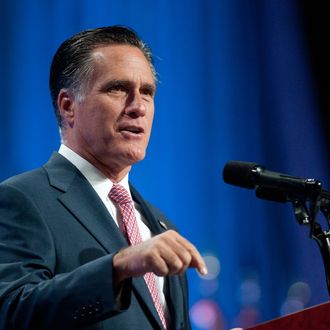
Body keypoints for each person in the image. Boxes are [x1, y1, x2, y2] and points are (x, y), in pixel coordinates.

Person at [0, 26, 207, 330]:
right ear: (68, 106)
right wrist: (118, 266)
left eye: (147, 92)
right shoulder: (22, 199)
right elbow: (12, 313)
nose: (138, 107)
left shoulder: (160, 225)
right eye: (118, 89)